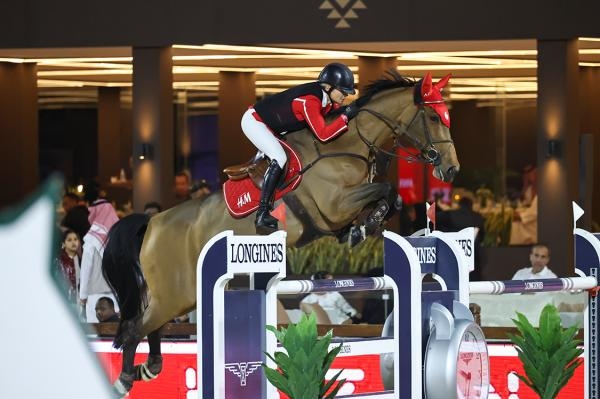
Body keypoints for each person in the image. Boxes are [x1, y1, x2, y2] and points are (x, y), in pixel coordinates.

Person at [241, 62, 359, 235]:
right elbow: (324, 135)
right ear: (329, 87)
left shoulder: (326, 99)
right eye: (343, 92)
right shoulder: (309, 101)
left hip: (275, 127)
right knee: (279, 158)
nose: (345, 96)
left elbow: (332, 113)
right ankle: (262, 213)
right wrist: (345, 118)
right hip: (255, 122)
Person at [79, 189, 120, 322]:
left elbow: (86, 269)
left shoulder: (91, 239)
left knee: (96, 336)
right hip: (116, 295)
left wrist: (82, 296)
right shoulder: (119, 238)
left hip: (95, 297)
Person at [437, 196, 486, 280]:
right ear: (471, 205)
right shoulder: (478, 216)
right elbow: (482, 236)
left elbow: (438, 223)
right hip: (473, 254)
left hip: (455, 252)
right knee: (473, 279)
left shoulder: (449, 214)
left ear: (459, 205)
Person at [54, 229, 81, 304]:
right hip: (64, 301)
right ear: (63, 244)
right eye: (69, 240)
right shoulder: (58, 260)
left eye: (75, 239)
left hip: (78, 301)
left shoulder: (79, 259)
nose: (73, 242)